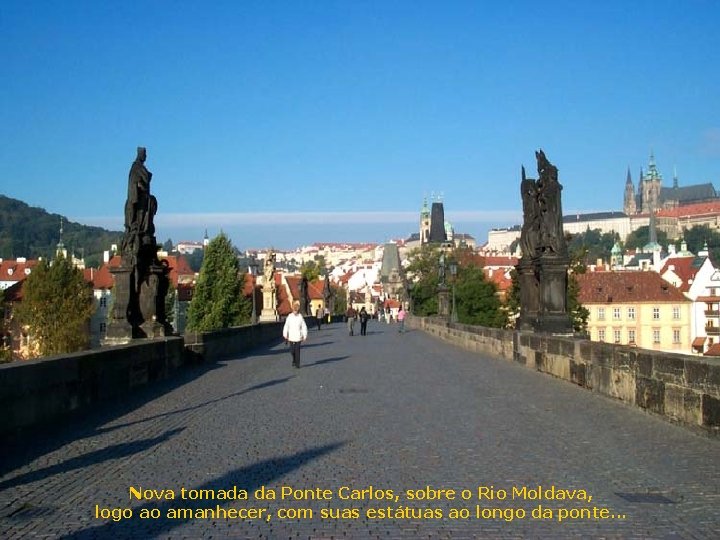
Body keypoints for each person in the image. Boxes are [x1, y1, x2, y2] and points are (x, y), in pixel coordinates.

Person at [283, 300, 307, 368]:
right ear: (293, 310)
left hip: (298, 337)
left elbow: (304, 326)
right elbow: (286, 325)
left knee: (297, 350)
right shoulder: (289, 316)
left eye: (296, 310)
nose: (295, 312)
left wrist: (304, 335)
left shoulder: (300, 317)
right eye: (294, 310)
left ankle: (297, 363)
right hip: (291, 337)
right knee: (292, 351)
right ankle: (294, 359)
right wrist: (285, 334)